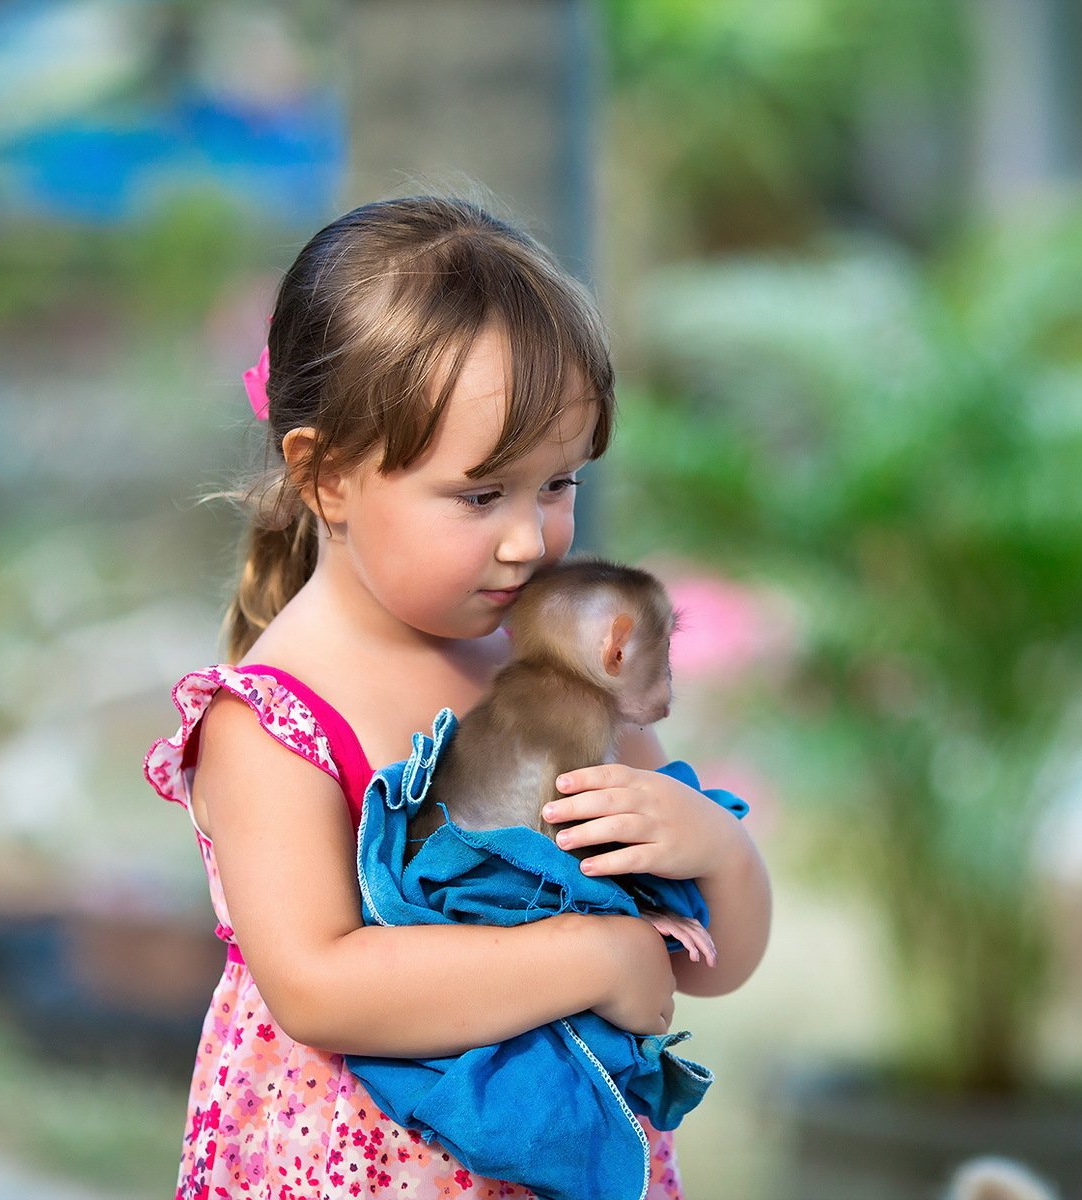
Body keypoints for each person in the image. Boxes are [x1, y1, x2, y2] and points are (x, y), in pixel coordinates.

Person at [143, 194, 773, 1200]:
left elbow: (698, 961)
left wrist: (717, 851)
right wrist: (593, 954)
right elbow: (318, 986)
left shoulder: (554, 676)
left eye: (557, 485)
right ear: (330, 476)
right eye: (482, 496)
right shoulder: (274, 720)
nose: (529, 540)